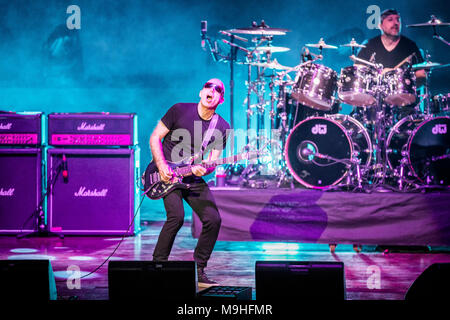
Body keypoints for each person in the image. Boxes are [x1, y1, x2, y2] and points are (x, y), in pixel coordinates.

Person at [149, 78, 230, 287]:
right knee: (176, 217)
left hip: (192, 177)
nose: (212, 90)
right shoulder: (179, 110)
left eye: (218, 90)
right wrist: (161, 166)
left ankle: (199, 269)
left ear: (220, 99)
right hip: (167, 174)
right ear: (200, 92)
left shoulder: (221, 127)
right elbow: (155, 137)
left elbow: (212, 161)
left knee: (213, 219)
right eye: (208, 86)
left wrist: (207, 168)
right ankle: (158, 267)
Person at [356, 8, 426, 84]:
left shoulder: (410, 45)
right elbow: (358, 71)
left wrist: (405, 82)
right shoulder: (369, 45)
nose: (396, 23)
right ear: (380, 26)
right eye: (390, 20)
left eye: (398, 20)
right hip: (375, 93)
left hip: (402, 93)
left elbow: (421, 74)